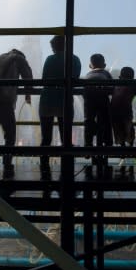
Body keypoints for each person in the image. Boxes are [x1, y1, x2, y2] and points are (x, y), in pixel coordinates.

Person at [38, 35, 81, 174]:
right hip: (65, 100)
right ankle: (67, 167)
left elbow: (44, 78)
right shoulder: (75, 59)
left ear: (55, 46)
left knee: (46, 138)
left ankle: (44, 166)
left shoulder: (50, 59)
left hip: (47, 100)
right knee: (65, 137)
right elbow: (75, 79)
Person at [83, 53, 113, 175]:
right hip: (102, 99)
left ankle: (88, 145)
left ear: (90, 65)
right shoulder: (106, 73)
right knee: (105, 121)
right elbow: (111, 88)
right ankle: (107, 144)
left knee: (88, 120)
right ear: (104, 65)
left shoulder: (87, 75)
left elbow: (83, 90)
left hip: (89, 100)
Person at [111, 66, 136, 176]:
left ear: (120, 76)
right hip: (126, 111)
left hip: (114, 111)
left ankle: (123, 148)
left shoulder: (116, 85)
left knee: (119, 131)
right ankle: (130, 147)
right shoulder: (132, 85)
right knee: (129, 128)